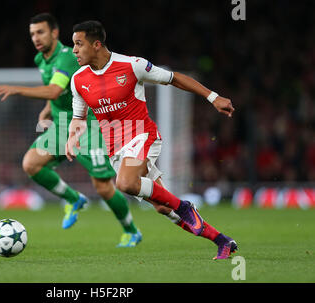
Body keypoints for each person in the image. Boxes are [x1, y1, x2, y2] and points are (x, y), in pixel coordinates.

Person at [66, 20, 238, 259]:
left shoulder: (132, 65)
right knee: (162, 206)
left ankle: (185, 206)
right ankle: (222, 241)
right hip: (115, 148)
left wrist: (213, 97)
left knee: (124, 183)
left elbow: (174, 78)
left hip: (141, 135)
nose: (73, 50)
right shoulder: (77, 80)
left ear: (96, 44)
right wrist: (71, 137)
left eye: (78, 44)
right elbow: (78, 117)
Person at [0, 13, 142, 247]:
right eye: (32, 34)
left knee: (103, 187)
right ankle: (74, 199)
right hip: (63, 124)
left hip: (88, 125)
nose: (36, 38)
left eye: (40, 32)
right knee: (31, 164)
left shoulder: (67, 58)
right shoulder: (41, 60)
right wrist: (47, 110)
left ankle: (131, 230)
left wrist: (17, 89)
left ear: (54, 33)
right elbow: (58, 92)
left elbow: (53, 90)